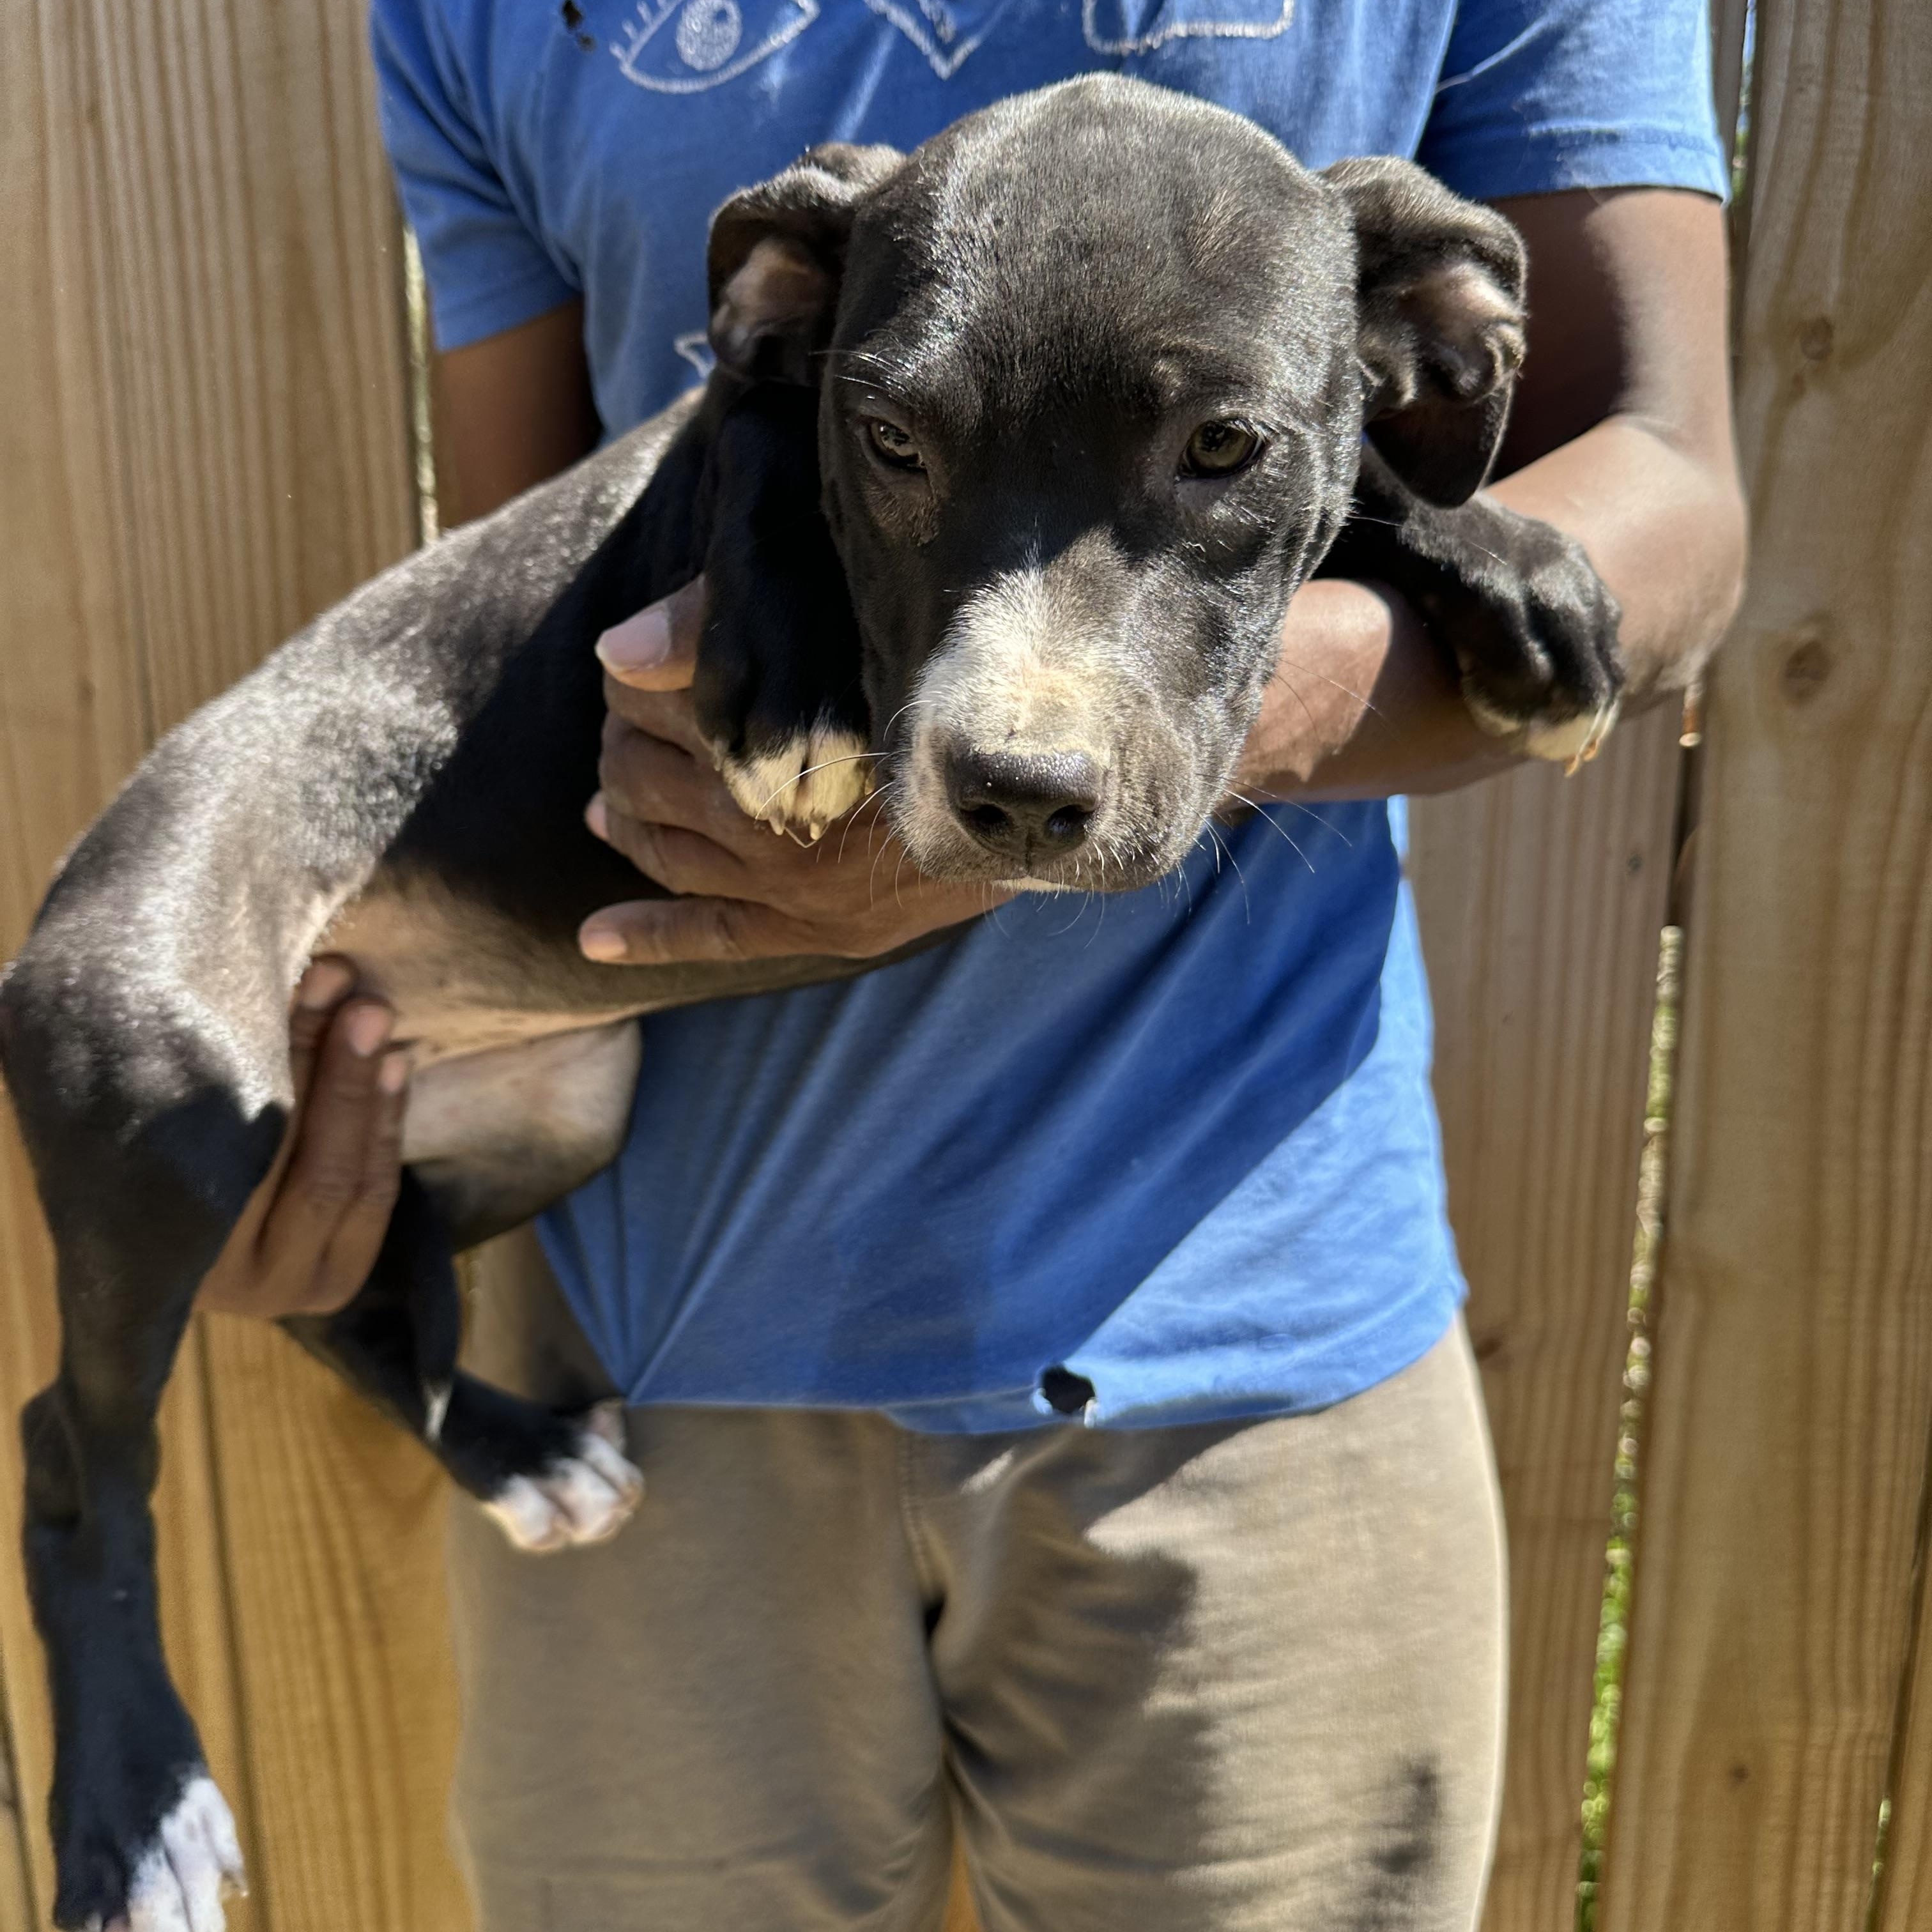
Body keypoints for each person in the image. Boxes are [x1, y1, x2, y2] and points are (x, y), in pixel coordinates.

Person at [199, 2, 1744, 1925]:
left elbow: (1667, 495)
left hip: (1235, 1314)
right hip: (653, 1351)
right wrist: (346, 1093)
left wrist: (1157, 745)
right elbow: (545, 606)